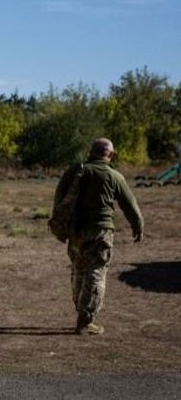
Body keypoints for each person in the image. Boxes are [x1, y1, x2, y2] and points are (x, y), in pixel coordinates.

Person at [53, 138, 144, 335]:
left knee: (78, 269)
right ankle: (85, 320)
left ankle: (81, 309)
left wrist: (60, 224)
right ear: (110, 155)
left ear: (91, 152)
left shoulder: (76, 170)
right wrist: (138, 226)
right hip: (101, 231)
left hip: (76, 230)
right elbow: (130, 205)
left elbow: (59, 196)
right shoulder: (113, 176)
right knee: (96, 272)